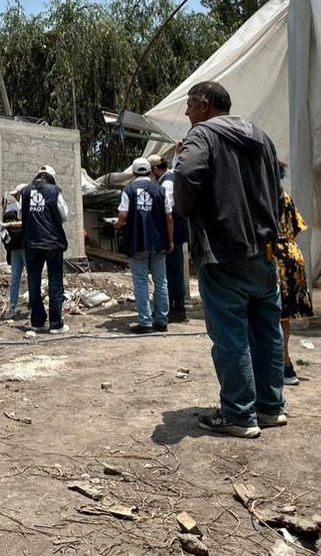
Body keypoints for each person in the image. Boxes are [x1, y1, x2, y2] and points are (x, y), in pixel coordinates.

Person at [174, 81, 286, 438]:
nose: (187, 113)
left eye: (189, 105)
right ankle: (270, 408)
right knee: (267, 331)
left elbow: (188, 175)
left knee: (230, 335)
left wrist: (185, 209)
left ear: (204, 105)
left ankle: (239, 414)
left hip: (223, 251)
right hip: (265, 251)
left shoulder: (202, 136)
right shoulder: (261, 137)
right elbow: (278, 192)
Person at [117, 157, 171, 333]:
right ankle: (162, 321)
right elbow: (169, 218)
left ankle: (145, 322)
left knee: (141, 282)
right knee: (161, 281)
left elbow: (123, 216)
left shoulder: (128, 190)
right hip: (159, 242)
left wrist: (116, 225)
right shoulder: (161, 191)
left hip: (137, 242)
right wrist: (170, 241)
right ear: (150, 171)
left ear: (133, 173)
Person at [274, 162, 314, 385]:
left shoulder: (265, 197)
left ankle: (281, 365)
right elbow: (298, 226)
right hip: (293, 254)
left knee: (272, 312)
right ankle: (286, 365)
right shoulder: (286, 197)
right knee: (284, 316)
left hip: (275, 256)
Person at [21, 165, 70, 334]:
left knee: (33, 282)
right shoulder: (55, 191)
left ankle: (37, 322)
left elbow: (21, 215)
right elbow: (64, 215)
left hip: (31, 243)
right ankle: (56, 324)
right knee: (55, 282)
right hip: (52, 242)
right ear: (51, 178)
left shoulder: (25, 192)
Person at [150, 154, 190, 323]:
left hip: (172, 233)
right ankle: (175, 307)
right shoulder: (171, 176)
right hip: (176, 232)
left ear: (154, 170)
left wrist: (169, 239)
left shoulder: (166, 184)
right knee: (174, 271)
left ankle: (177, 309)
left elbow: (169, 214)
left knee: (173, 273)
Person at [0, 184, 27, 319]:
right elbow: (4, 223)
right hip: (15, 248)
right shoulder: (13, 207)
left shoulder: (28, 206)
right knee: (15, 278)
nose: (16, 197)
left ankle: (34, 305)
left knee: (32, 277)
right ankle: (13, 306)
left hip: (26, 246)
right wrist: (3, 210)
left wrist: (8, 224)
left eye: (17, 194)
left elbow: (25, 223)